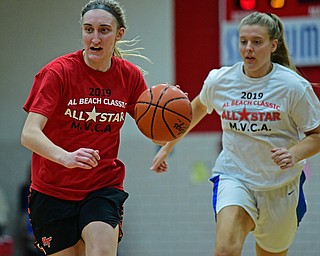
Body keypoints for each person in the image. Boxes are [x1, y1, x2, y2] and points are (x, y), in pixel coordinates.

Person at [151, 12, 320, 256]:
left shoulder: (293, 87)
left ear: (273, 45)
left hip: (280, 185)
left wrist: (294, 153)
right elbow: (196, 108)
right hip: (235, 175)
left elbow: (317, 134)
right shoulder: (221, 80)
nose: (248, 48)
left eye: (257, 42)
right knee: (225, 250)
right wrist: (167, 146)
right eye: (243, 41)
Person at [21, 0, 150, 255]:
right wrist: (66, 157)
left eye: (104, 30)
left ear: (119, 34)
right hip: (52, 190)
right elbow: (29, 133)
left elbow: (154, 124)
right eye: (88, 29)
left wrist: (172, 122)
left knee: (101, 250)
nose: (95, 37)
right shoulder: (58, 72)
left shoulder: (130, 76)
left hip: (102, 186)